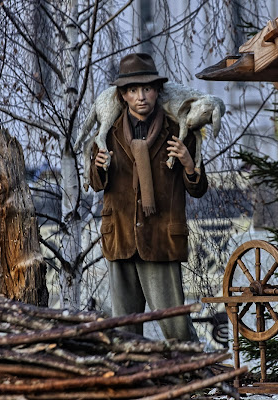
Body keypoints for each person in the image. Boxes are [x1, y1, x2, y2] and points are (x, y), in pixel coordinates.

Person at [88, 53, 208, 341]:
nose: (140, 96)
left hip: (162, 238)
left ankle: (191, 379)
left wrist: (189, 164)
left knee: (175, 325)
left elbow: (198, 188)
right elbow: (95, 184)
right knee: (123, 329)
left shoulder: (180, 132)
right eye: (132, 90)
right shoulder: (107, 135)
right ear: (123, 96)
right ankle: (130, 383)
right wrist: (99, 167)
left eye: (147, 89)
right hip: (120, 237)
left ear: (157, 91)